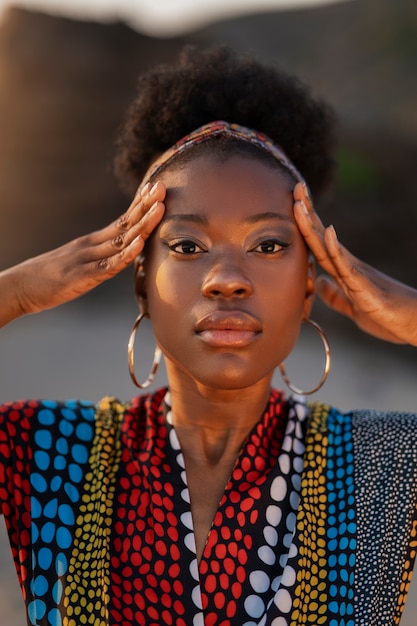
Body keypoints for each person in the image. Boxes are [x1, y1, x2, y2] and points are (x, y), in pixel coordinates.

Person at [1, 45, 417, 626]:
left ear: (307, 288)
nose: (226, 280)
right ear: (141, 281)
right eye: (188, 246)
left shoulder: (384, 464)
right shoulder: (49, 453)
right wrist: (15, 292)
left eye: (269, 246)